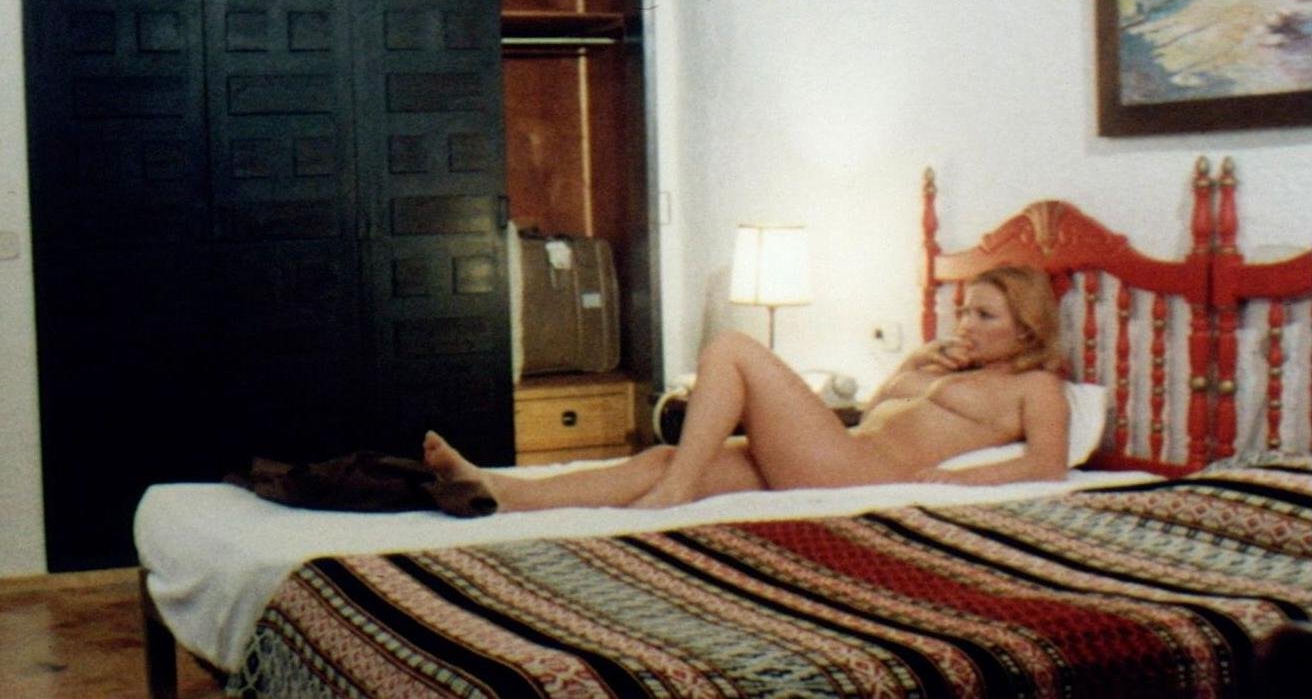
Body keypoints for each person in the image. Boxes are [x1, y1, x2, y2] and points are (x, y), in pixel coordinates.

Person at [424, 264, 1071, 512]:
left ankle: (678, 493)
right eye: (964, 310)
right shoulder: (950, 368)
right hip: (843, 453)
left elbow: (1047, 465)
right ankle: (497, 490)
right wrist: (916, 363)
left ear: (1026, 326)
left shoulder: (1035, 387)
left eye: (985, 315)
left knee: (732, 347)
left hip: (858, 473)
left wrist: (955, 483)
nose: (966, 324)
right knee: (665, 456)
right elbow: (875, 413)